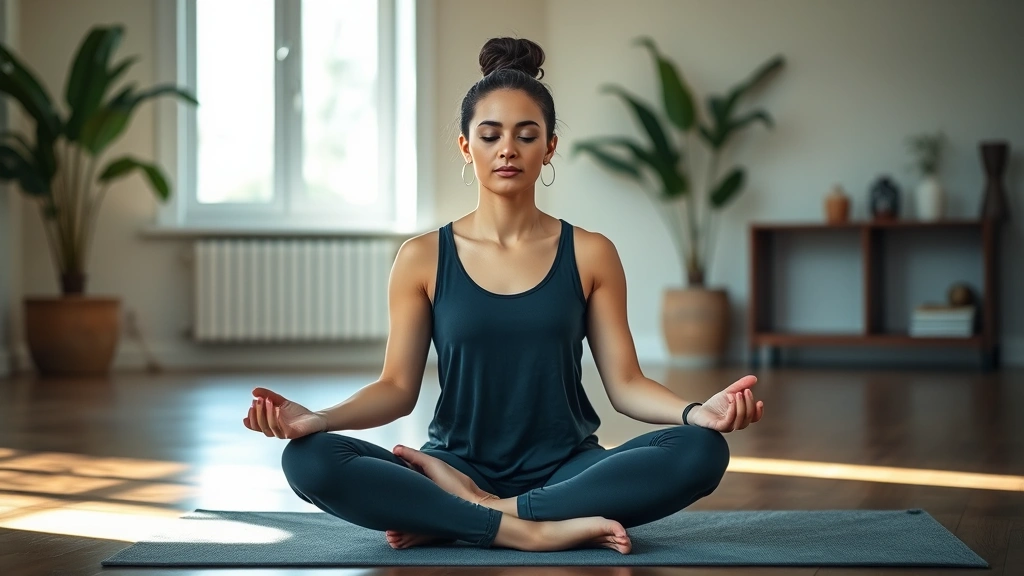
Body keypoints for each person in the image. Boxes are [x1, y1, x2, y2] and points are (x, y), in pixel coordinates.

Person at [242, 37, 764, 555]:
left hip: (567, 468)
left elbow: (626, 384)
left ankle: (477, 517)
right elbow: (397, 387)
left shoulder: (591, 253)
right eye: (490, 135)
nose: (508, 149)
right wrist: (320, 419)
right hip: (453, 464)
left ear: (550, 146)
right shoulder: (423, 257)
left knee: (700, 452)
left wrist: (697, 412)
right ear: (467, 147)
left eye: (526, 135)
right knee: (307, 460)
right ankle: (533, 529)